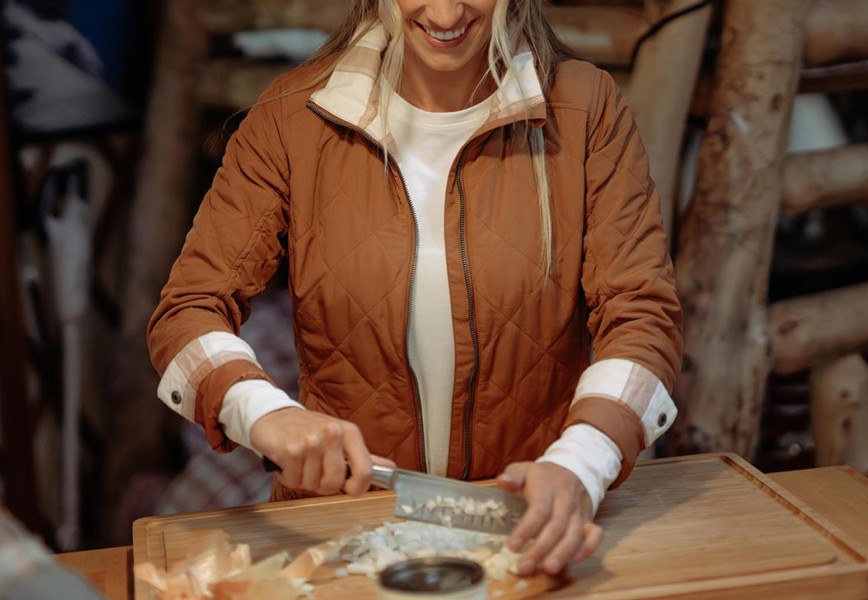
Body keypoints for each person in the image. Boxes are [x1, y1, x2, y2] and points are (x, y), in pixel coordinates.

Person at [147, 0, 682, 578]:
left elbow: (642, 314)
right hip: (345, 539)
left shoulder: (583, 108)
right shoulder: (291, 117)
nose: (447, 11)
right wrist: (265, 413)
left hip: (526, 529)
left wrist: (581, 463)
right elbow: (188, 310)